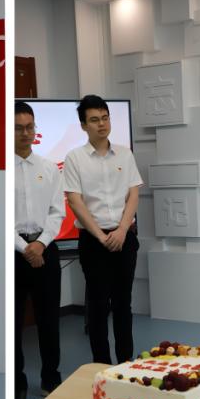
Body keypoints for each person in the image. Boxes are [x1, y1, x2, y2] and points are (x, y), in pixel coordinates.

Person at [63, 94, 141, 364]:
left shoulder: (125, 154)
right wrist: (101, 236)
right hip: (93, 242)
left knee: (123, 304)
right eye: (94, 120)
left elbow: (133, 194)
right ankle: (101, 365)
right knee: (97, 306)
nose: (101, 124)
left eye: (105, 118)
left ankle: (126, 362)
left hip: (124, 237)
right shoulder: (75, 158)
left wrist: (122, 230)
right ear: (84, 126)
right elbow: (75, 201)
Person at [13, 101, 64, 399]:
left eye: (29, 127)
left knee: (49, 320)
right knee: (14, 323)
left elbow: (58, 212)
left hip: (45, 250)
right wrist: (25, 248)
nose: (25, 133)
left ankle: (50, 378)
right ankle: (17, 385)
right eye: (18, 128)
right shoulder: (3, 168)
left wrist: (41, 244)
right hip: (14, 253)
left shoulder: (48, 167)